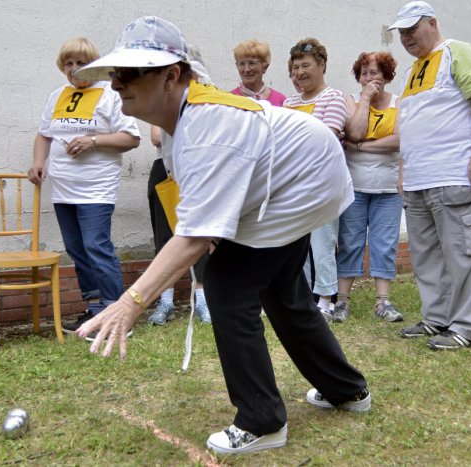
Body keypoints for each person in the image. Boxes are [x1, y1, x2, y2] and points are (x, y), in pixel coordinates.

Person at [74, 16, 370, 455]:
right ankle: (347, 390)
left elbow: (195, 236)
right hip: (298, 183)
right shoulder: (186, 120)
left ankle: (263, 421)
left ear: (172, 76)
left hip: (304, 184)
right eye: (115, 74)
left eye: (131, 73)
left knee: (228, 283)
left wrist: (129, 303)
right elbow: (196, 210)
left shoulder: (208, 126)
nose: (117, 84)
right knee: (284, 292)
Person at [388, 1, 471, 349]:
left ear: (432, 23)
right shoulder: (411, 71)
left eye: (412, 30)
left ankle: (466, 327)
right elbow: (410, 127)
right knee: (426, 256)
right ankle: (437, 319)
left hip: (455, 175)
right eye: (401, 33)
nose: (405, 38)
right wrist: (404, 172)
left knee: (465, 252)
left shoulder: (458, 53)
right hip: (419, 180)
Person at [27, 38, 140, 338]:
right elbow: (43, 135)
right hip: (63, 189)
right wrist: (39, 162)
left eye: (80, 63)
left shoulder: (109, 94)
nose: (74, 69)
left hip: (96, 188)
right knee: (77, 249)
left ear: (93, 66)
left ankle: (116, 312)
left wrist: (93, 141)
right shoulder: (57, 96)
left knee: (96, 247)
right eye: (68, 63)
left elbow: (131, 138)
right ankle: (93, 310)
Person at [284, 38, 349, 322]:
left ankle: (326, 298)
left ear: (321, 65)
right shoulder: (289, 102)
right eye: (296, 67)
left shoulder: (334, 98)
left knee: (323, 242)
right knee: (299, 244)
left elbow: (327, 137)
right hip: (294, 184)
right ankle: (306, 296)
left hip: (322, 183)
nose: (300, 72)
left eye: (306, 65)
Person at [337, 51, 404, 323]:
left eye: (374, 72)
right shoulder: (350, 101)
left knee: (384, 244)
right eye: (364, 73)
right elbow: (353, 131)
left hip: (388, 190)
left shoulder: (400, 103)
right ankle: (342, 302)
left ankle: (383, 302)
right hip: (354, 187)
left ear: (386, 75)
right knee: (349, 242)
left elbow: (398, 141)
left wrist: (361, 147)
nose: (368, 78)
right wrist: (365, 99)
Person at [147, 45, 211, 326]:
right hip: (166, 173)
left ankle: (204, 301)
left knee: (201, 237)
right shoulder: (160, 99)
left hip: (200, 172)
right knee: (165, 237)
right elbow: (157, 136)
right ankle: (166, 301)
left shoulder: (208, 99)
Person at [230, 40, 286, 106]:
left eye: (252, 63)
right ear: (237, 66)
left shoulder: (280, 100)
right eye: (242, 64)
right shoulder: (229, 100)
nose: (246, 69)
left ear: (265, 67)